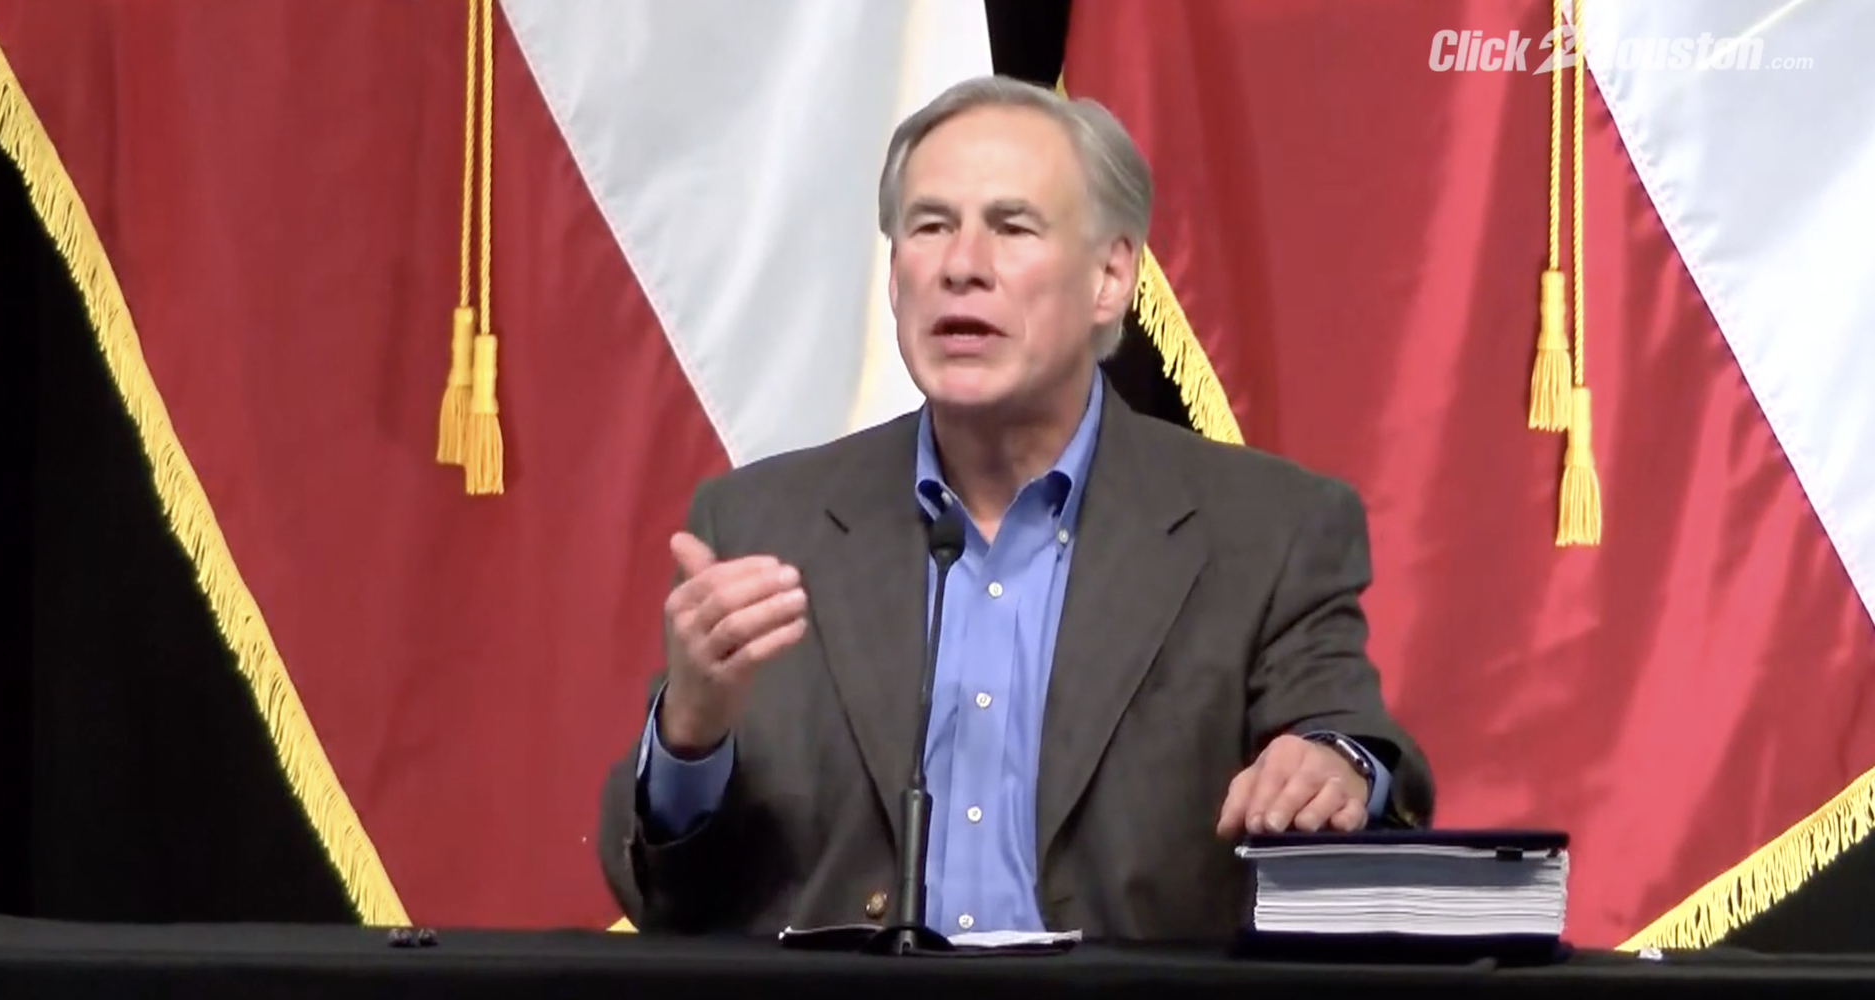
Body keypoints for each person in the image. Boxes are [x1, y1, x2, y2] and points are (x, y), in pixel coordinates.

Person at [595, 75, 1433, 942]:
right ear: (894, 276)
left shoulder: (1268, 529)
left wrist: (1333, 763)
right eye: (929, 227)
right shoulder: (762, 525)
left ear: (1110, 277)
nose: (961, 264)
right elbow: (667, 902)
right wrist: (689, 738)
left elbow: (1359, 745)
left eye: (1011, 226)